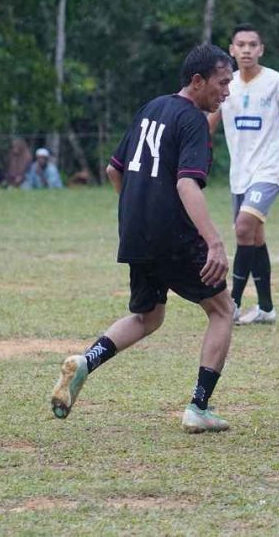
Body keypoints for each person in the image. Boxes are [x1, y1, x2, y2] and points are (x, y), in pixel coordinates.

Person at [50, 44, 236, 433]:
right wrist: (215, 242)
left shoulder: (152, 108)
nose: (227, 92)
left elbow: (113, 170)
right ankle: (199, 407)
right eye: (221, 83)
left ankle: (85, 362)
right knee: (222, 310)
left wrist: (140, 213)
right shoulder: (193, 121)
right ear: (197, 81)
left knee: (147, 316)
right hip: (173, 235)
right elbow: (186, 183)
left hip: (136, 233)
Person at [207, 23, 279, 325]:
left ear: (261, 49)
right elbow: (208, 125)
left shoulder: (278, 82)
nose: (246, 50)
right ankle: (266, 308)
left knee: (243, 228)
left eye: (252, 44)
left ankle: (232, 304)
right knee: (254, 236)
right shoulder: (226, 85)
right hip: (240, 175)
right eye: (241, 45)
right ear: (232, 50)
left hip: (268, 171)